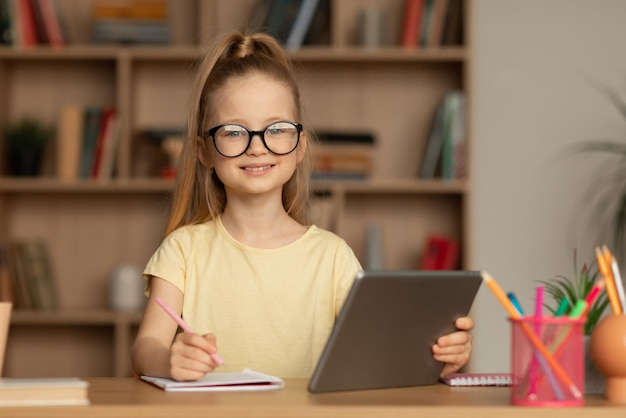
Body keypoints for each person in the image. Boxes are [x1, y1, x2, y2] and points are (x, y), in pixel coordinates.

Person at [130, 31, 474, 382]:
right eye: (234, 132)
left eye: (276, 129)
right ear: (204, 150)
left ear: (300, 146)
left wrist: (435, 356)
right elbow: (145, 348)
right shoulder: (182, 251)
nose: (257, 147)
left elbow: (375, 359)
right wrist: (169, 360)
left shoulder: (333, 257)